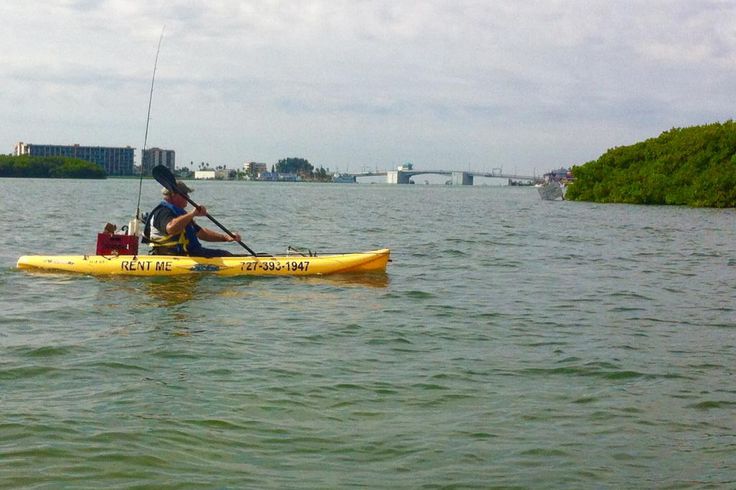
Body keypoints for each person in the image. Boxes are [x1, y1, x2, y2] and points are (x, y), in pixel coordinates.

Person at [143, 180, 242, 257]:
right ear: (174, 195)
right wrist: (192, 214)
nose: (188, 197)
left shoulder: (181, 215)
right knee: (225, 255)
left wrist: (225, 237)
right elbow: (171, 228)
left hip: (190, 253)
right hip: (172, 256)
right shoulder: (162, 212)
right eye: (185, 194)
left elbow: (200, 233)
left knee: (226, 254)